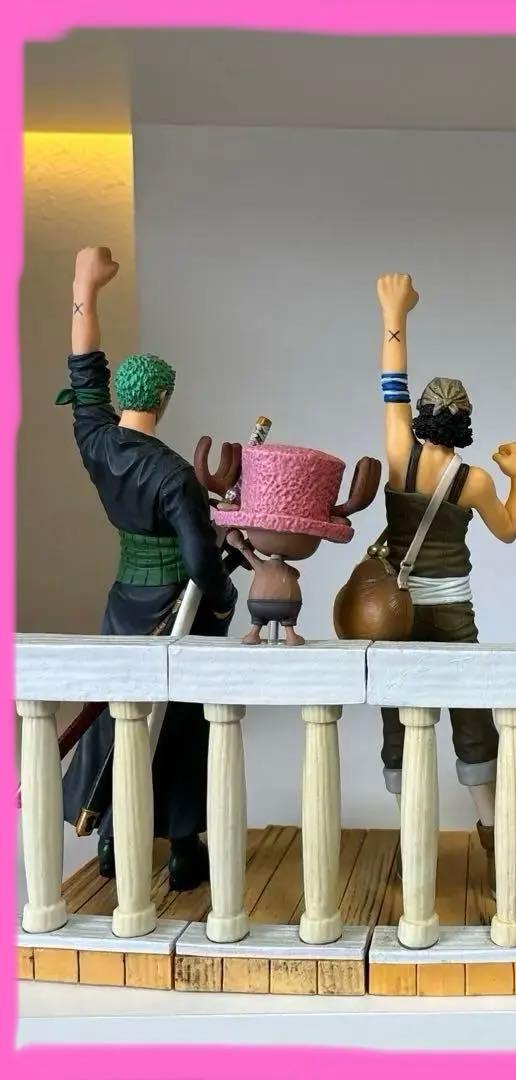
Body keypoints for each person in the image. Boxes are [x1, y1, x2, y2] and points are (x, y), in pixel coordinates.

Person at [58, 246, 238, 891]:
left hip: (123, 601)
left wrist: (84, 287)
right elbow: (198, 559)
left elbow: (84, 368)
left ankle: (113, 839)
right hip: (173, 607)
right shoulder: (173, 474)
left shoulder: (95, 439)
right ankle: (182, 847)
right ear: (163, 398)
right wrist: (222, 599)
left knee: (120, 715)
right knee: (179, 722)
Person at [376, 272, 516, 893]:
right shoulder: (477, 481)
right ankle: (495, 844)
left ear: (422, 417)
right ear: (465, 423)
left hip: (397, 613)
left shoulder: (398, 453)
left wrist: (394, 312)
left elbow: (391, 383)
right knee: (470, 718)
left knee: (400, 720)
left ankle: (410, 846)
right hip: (453, 614)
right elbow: (509, 531)